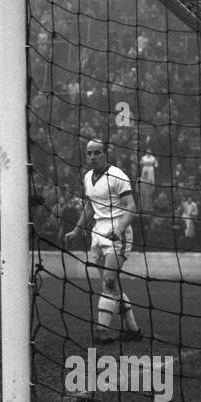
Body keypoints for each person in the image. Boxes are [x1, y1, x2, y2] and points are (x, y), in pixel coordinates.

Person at [64, 139, 143, 343]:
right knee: (112, 284)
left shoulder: (118, 176)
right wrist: (75, 230)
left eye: (97, 153)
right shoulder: (88, 177)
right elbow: (90, 206)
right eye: (89, 153)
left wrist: (119, 228)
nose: (92, 157)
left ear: (105, 154)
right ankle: (133, 329)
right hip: (97, 234)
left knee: (108, 282)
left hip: (118, 234)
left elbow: (130, 206)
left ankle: (102, 331)